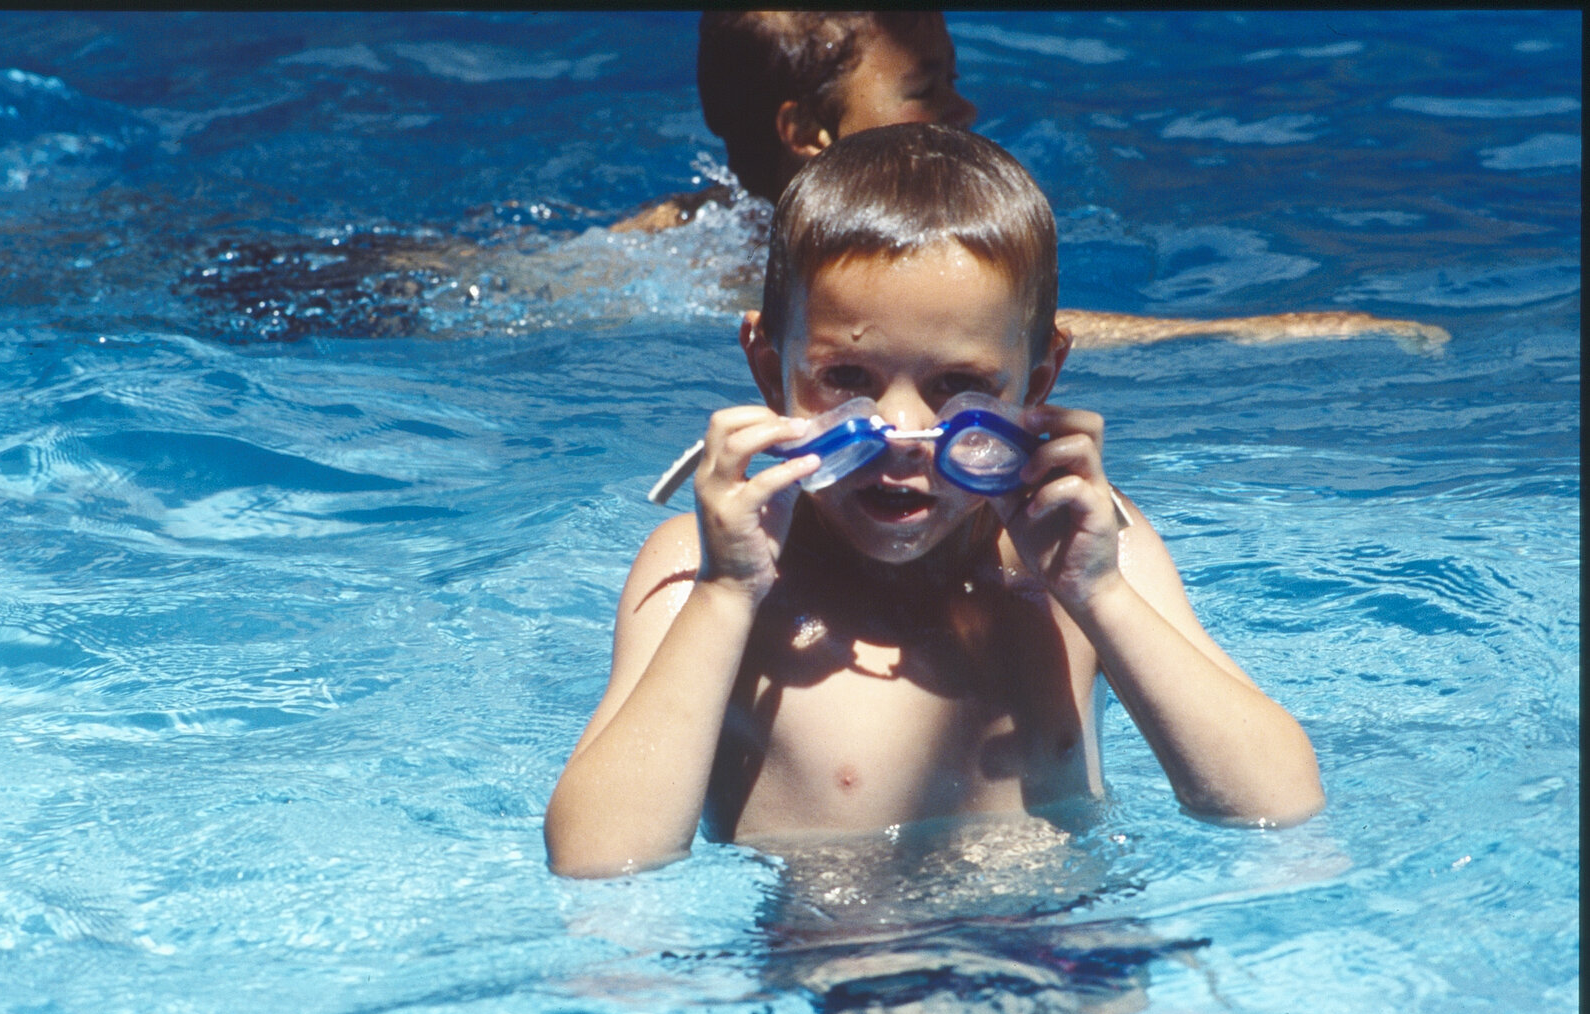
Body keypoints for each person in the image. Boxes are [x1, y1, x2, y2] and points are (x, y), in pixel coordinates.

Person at [544, 123, 1325, 878]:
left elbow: (1277, 807)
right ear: (765, 364)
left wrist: (1100, 595)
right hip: (845, 974)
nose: (903, 436)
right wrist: (725, 595)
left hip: (1064, 953)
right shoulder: (699, 570)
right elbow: (600, 858)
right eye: (847, 380)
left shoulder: (1083, 543)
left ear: (1040, 380)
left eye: (960, 387)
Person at [613, 10, 1447, 352]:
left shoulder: (677, 225)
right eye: (926, 88)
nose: (965, 106)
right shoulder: (853, 258)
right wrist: (1295, 327)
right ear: (806, 133)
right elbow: (1038, 328)